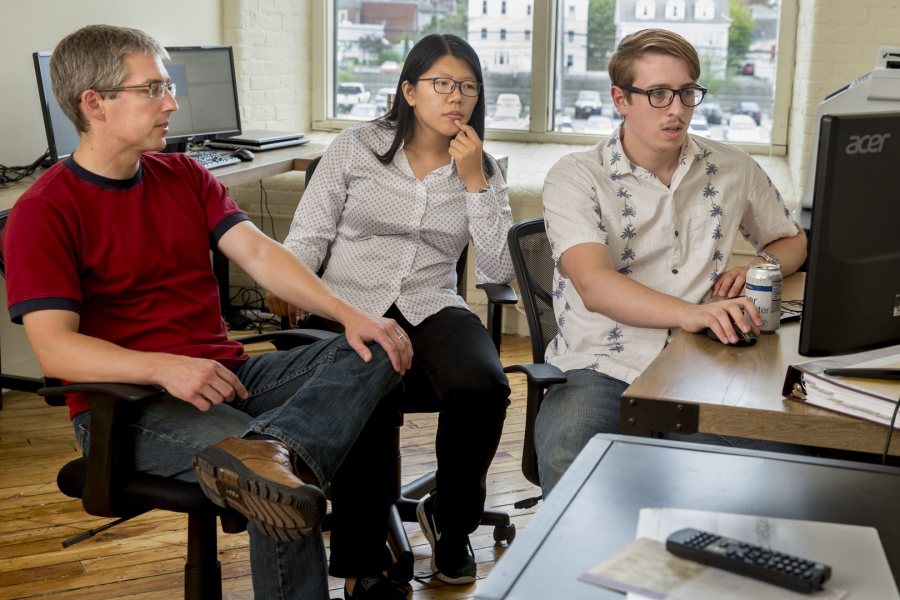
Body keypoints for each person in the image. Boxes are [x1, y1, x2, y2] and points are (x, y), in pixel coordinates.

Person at [2, 24, 414, 600]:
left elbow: (260, 254)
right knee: (278, 484)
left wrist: (352, 315)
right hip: (125, 406)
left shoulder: (186, 176)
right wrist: (163, 366)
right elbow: (54, 348)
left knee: (376, 347)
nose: (171, 103)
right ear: (93, 103)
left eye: (167, 86)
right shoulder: (43, 211)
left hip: (226, 374)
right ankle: (269, 461)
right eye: (151, 89)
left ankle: (266, 451)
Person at [266, 33, 514, 594]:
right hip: (348, 303)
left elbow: (496, 269)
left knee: (484, 385)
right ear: (409, 90)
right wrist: (289, 286)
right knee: (369, 379)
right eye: (443, 84)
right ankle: (362, 565)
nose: (457, 97)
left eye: (469, 87)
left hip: (431, 302)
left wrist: (476, 181)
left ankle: (453, 529)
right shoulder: (356, 148)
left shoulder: (484, 167)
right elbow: (309, 236)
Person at [537, 28, 808, 495]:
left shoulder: (732, 167)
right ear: (620, 99)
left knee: (784, 465)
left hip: (703, 360)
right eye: (659, 94)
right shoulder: (576, 176)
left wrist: (759, 265)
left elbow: (792, 241)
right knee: (569, 454)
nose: (677, 109)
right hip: (602, 364)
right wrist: (694, 312)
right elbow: (594, 285)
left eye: (686, 92)